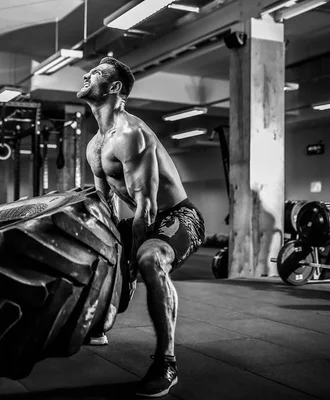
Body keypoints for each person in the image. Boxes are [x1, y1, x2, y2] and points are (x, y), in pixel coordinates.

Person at [77, 57, 206, 398]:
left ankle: (167, 362)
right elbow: (106, 205)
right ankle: (100, 322)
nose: (87, 75)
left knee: (149, 259)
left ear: (114, 87)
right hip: (141, 218)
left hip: (179, 217)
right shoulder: (95, 146)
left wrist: (131, 262)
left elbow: (147, 207)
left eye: (98, 74)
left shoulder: (130, 134)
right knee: (89, 243)